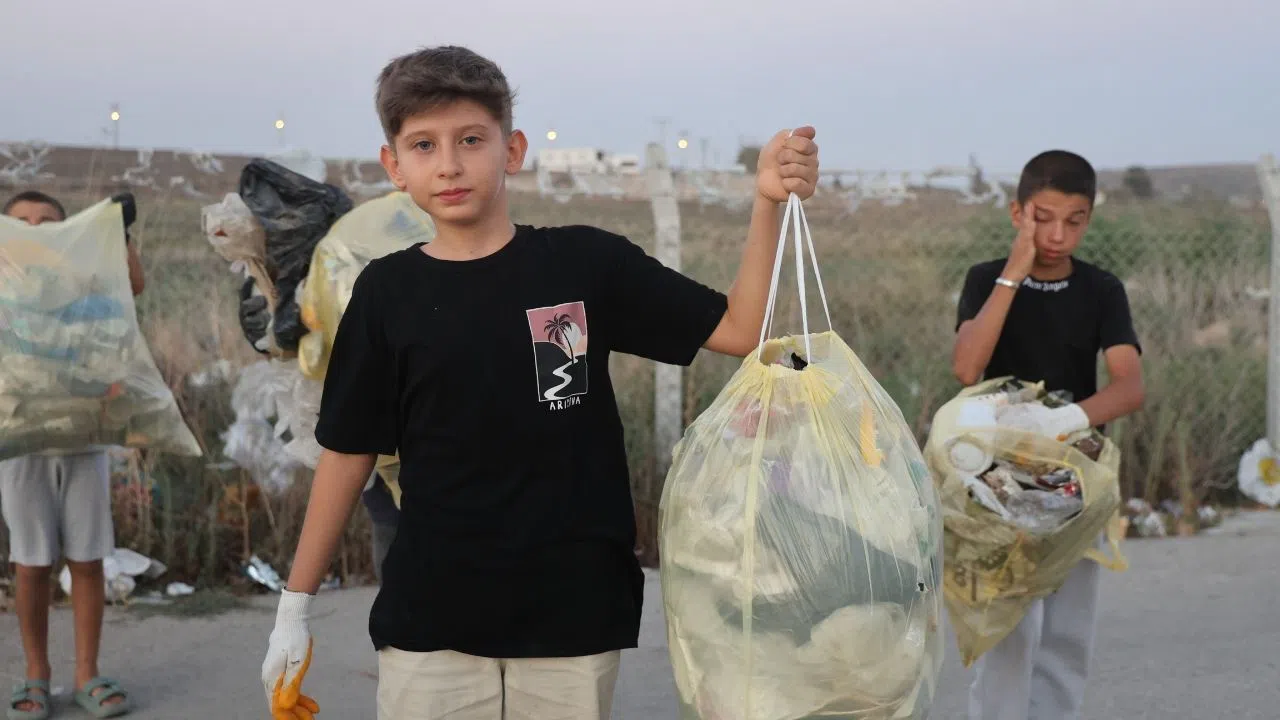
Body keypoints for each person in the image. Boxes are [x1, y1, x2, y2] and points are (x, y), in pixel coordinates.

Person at [260, 45, 820, 720]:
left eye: (471, 139)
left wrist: (763, 202)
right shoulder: (387, 293)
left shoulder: (585, 264)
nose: (449, 164)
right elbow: (348, 453)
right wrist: (295, 608)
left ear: (513, 148)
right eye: (423, 145)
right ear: (394, 167)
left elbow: (740, 328)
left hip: (572, 613)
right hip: (432, 619)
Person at [951, 150, 1145, 720]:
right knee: (1009, 628)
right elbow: (967, 368)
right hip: (999, 479)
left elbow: (1129, 386)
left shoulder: (1101, 290)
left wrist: (1064, 420)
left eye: (1075, 220)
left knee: (1067, 633)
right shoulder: (986, 279)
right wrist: (1015, 271)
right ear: (1018, 213)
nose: (1058, 234)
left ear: (1089, 218)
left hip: (1075, 476)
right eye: (1043, 217)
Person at [2, 190, 144, 719]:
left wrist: (116, 232)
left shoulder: (83, 276)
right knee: (31, 562)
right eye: (20, 222)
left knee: (87, 559)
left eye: (47, 222)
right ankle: (35, 675)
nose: (34, 229)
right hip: (18, 444)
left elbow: (134, 285)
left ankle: (88, 673)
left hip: (83, 437)